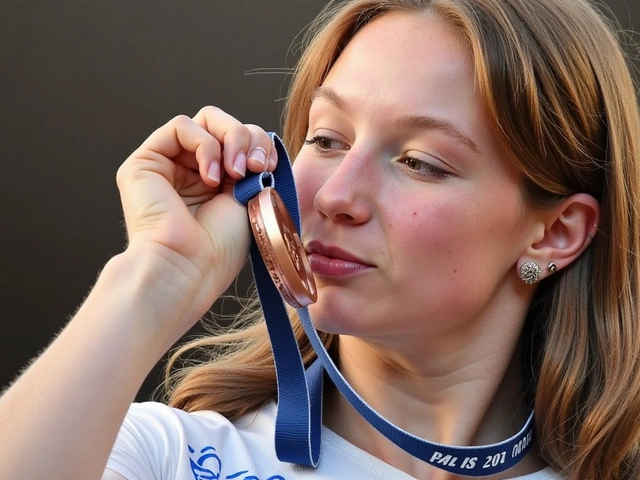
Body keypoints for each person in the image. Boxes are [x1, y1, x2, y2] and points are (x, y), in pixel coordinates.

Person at [1, 0, 639, 478]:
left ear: (555, 233)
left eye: (420, 161)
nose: (335, 195)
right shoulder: (170, 457)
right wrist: (153, 278)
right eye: (327, 139)